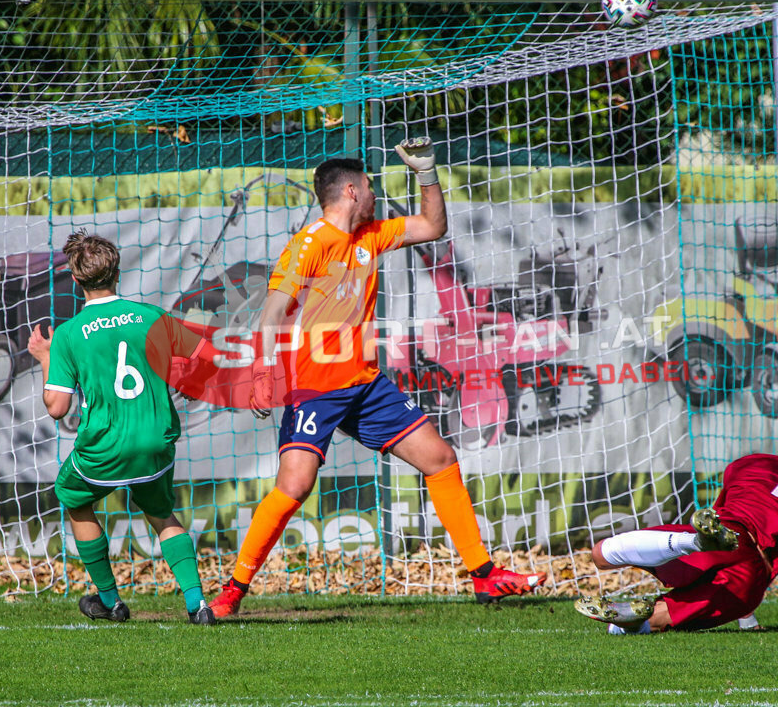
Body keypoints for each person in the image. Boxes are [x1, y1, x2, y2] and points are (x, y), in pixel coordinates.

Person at [209, 138, 546, 618]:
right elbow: (270, 315)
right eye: (368, 187)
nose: (373, 195)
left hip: (366, 385)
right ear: (349, 191)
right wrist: (263, 373)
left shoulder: (370, 235)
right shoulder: (310, 243)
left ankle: (486, 578)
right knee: (296, 485)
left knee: (439, 457)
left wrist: (427, 172)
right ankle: (233, 590)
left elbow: (432, 225)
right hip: (316, 389)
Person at [28, 230, 216, 625]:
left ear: (75, 280)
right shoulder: (152, 317)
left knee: (74, 498)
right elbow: (206, 354)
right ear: (117, 273)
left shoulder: (69, 333)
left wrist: (45, 357)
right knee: (163, 514)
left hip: (106, 444)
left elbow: (57, 408)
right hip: (155, 439)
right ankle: (198, 606)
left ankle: (111, 602)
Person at [575, 409, 778, 633]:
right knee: (661, 619)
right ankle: (636, 621)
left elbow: (717, 520)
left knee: (601, 554)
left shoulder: (747, 464)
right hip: (750, 576)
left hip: (727, 534)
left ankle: (683, 546)